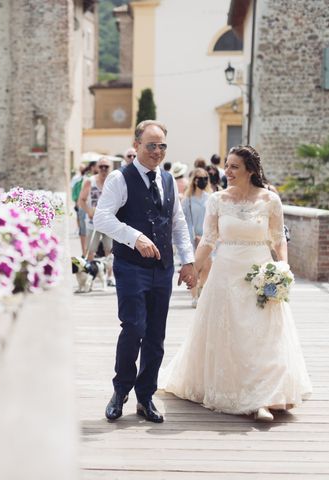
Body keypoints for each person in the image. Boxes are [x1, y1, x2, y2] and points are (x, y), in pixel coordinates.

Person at [161, 145, 312, 422]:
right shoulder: (217, 200)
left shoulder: (270, 200)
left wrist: (282, 266)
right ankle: (236, 391)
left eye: (234, 167)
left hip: (260, 275)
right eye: (227, 166)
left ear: (250, 171)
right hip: (226, 275)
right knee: (231, 336)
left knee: (263, 337)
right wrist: (193, 268)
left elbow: (278, 238)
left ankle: (265, 399)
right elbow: (208, 240)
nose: (226, 172)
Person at [94, 120, 197, 423]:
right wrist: (134, 237)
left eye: (162, 145)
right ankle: (121, 389)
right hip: (130, 266)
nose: (157, 151)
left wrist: (188, 261)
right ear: (136, 144)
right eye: (151, 145)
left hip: (162, 269)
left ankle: (145, 396)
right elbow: (101, 218)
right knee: (134, 327)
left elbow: (177, 223)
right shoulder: (119, 178)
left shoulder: (167, 180)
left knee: (155, 335)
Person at [79, 156, 115, 285]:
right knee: (91, 251)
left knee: (109, 250)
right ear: (96, 168)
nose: (104, 169)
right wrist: (89, 211)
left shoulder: (114, 181)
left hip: (109, 222)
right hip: (92, 222)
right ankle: (91, 276)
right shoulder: (90, 181)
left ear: (110, 168)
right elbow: (81, 200)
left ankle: (110, 277)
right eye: (101, 166)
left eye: (106, 166)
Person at [181, 168, 212, 308]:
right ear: (194, 180)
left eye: (205, 177)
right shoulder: (187, 200)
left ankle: (201, 287)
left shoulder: (211, 198)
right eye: (199, 178)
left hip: (207, 237)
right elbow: (185, 221)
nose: (202, 180)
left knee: (207, 266)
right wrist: (192, 237)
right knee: (194, 268)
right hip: (192, 237)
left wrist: (207, 236)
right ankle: (194, 296)